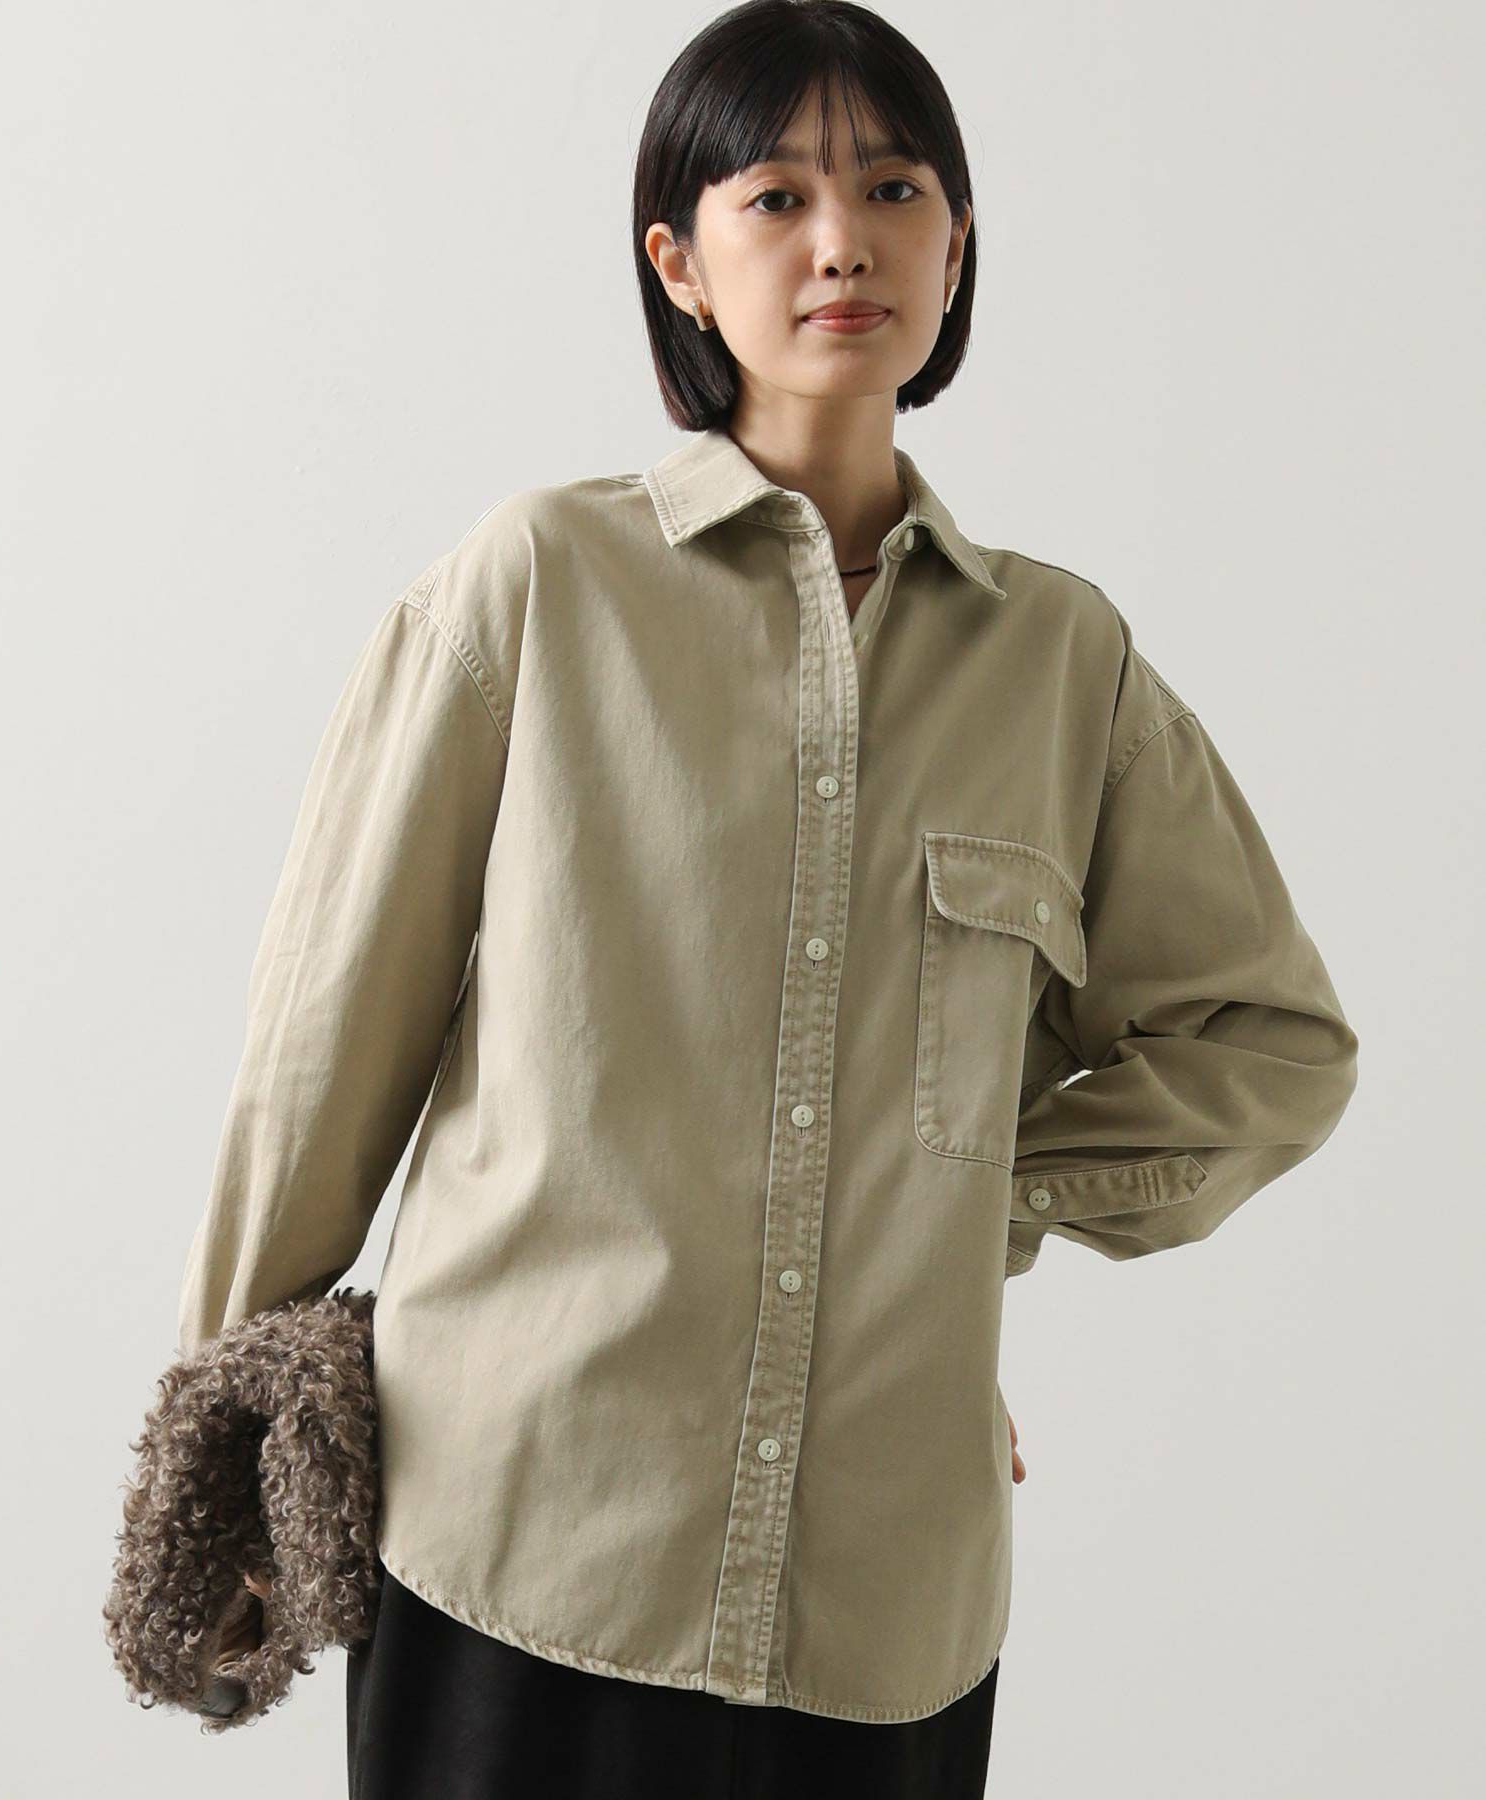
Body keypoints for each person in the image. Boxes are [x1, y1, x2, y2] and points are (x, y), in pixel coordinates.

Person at [184, 3, 1359, 1794]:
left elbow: (1268, 1047)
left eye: (892, 189)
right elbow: (321, 1056)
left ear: (957, 246)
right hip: (518, 1540)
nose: (842, 243)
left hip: (881, 1607)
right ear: (679, 261)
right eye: (776, 197)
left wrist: (950, 1218)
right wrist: (224, 1448)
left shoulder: (1063, 663)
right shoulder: (536, 587)